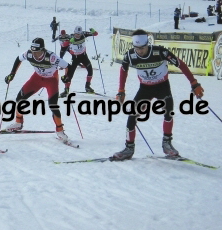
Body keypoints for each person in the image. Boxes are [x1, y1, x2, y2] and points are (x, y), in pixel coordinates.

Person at [111, 29, 204, 161]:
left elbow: (180, 64)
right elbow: (123, 70)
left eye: (142, 48)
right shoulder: (130, 55)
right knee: (132, 115)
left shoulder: (160, 52)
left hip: (162, 87)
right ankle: (129, 148)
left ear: (147, 44)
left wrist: (194, 83)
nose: (139, 51)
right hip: (145, 88)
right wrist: (121, 90)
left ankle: (167, 144)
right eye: (136, 48)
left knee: (168, 111)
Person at [4, 38, 71, 142]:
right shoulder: (29, 54)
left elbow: (68, 66)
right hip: (36, 79)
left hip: (51, 80)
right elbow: (18, 59)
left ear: (43, 49)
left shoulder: (51, 57)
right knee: (19, 99)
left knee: (53, 105)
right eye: (33, 51)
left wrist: (67, 77)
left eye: (37, 52)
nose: (34, 54)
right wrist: (12, 74)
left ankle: (60, 131)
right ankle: (18, 123)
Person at [59, 26, 98, 97]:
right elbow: (63, 45)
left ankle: (87, 87)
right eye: (76, 34)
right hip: (75, 58)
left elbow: (95, 34)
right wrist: (69, 41)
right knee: (70, 74)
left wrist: (93, 31)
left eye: (79, 34)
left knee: (90, 70)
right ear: (74, 33)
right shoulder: (71, 37)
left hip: (83, 56)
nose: (78, 35)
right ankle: (66, 90)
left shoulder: (83, 34)